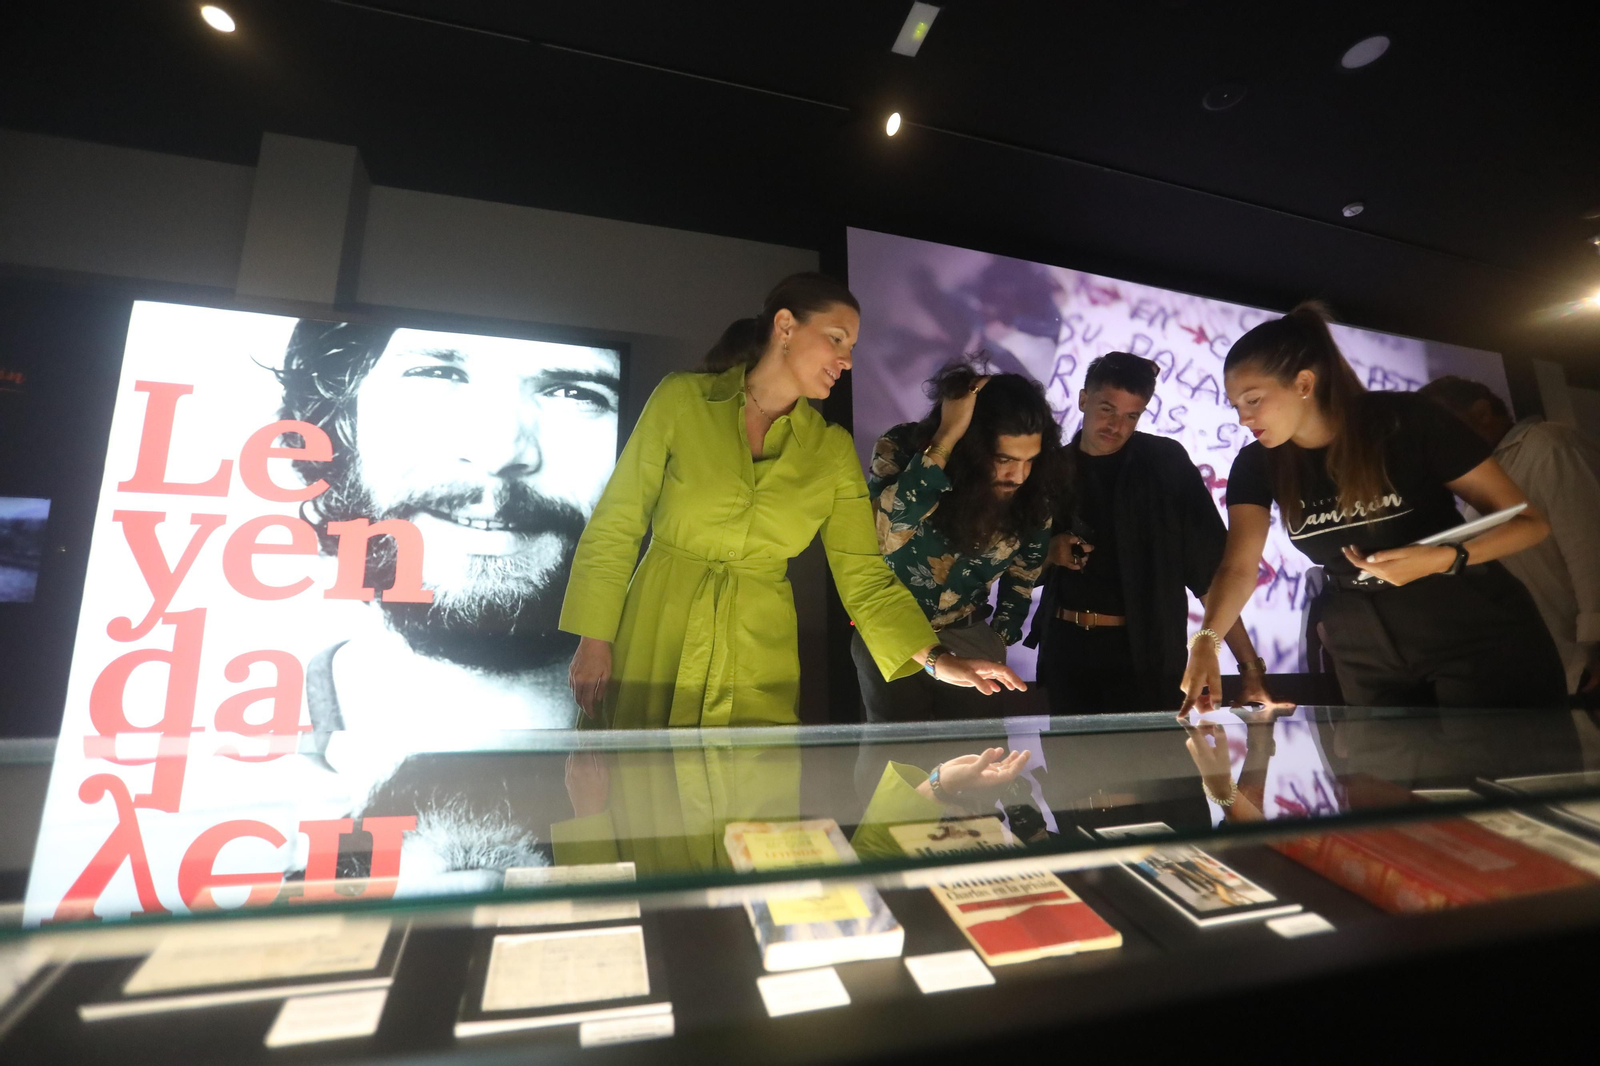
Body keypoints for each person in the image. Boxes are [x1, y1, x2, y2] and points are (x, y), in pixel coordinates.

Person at [561, 273, 1024, 731]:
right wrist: (594, 640)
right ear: (785, 326)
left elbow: (863, 577)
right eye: (836, 339)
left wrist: (937, 660)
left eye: (851, 348)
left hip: (757, 654)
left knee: (752, 774)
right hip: (655, 632)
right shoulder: (682, 400)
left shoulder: (831, 450)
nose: (846, 361)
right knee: (639, 776)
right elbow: (617, 523)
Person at [275, 321, 626, 882]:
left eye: (573, 391)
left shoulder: (690, 724)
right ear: (341, 421)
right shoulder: (227, 780)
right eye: (437, 372)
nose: (498, 453)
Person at [1181, 302, 1564, 714]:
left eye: (1253, 400)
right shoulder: (1256, 464)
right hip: (1360, 643)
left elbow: (1528, 523)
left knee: (1490, 753)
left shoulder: (1406, 420)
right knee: (1385, 755)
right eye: (1236, 406)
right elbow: (1238, 569)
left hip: (1466, 622)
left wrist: (1441, 558)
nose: (1244, 418)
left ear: (1304, 383)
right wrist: (1206, 640)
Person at [1028, 352, 1276, 713]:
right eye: (1107, 410)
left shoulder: (1163, 463)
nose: (1116, 426)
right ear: (1083, 399)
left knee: (1157, 749)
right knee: (1070, 751)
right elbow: (1012, 567)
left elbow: (1210, 571)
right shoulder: (1050, 470)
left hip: (1149, 655)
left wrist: (1249, 667)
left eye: (1131, 416)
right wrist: (1050, 553)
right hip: (1066, 654)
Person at [856, 364, 1062, 722]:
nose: (1018, 475)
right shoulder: (901, 447)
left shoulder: (1035, 489)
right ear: (973, 447)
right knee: (893, 753)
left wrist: (998, 639)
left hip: (972, 636)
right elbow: (886, 534)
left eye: (1030, 461)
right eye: (1005, 460)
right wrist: (947, 438)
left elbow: (1024, 572)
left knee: (980, 752)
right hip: (893, 632)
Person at [1417, 376, 1600, 698]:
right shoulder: (1487, 477)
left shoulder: (1548, 445)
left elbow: (1590, 547)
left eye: (1442, 427)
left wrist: (1596, 647)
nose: (1435, 442)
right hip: (1545, 662)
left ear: (1482, 412)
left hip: (1581, 662)